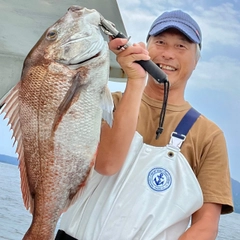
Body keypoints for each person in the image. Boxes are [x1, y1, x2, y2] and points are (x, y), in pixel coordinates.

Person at [56, 9, 233, 240]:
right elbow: (107, 164)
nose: (168, 54)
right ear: (146, 47)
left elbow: (206, 225)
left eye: (181, 46)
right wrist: (135, 80)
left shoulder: (208, 135)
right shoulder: (108, 103)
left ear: (196, 61)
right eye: (160, 42)